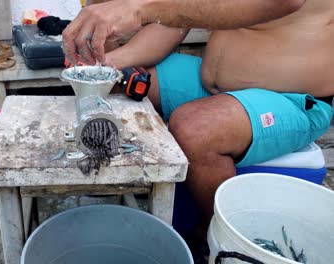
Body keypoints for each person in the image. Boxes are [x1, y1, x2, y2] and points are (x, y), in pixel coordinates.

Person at [63, 0, 334, 238]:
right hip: (211, 83)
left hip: (292, 99)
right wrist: (107, 64)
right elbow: (174, 20)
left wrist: (140, 7)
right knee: (118, 81)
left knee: (195, 128)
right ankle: (123, 194)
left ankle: (216, 237)